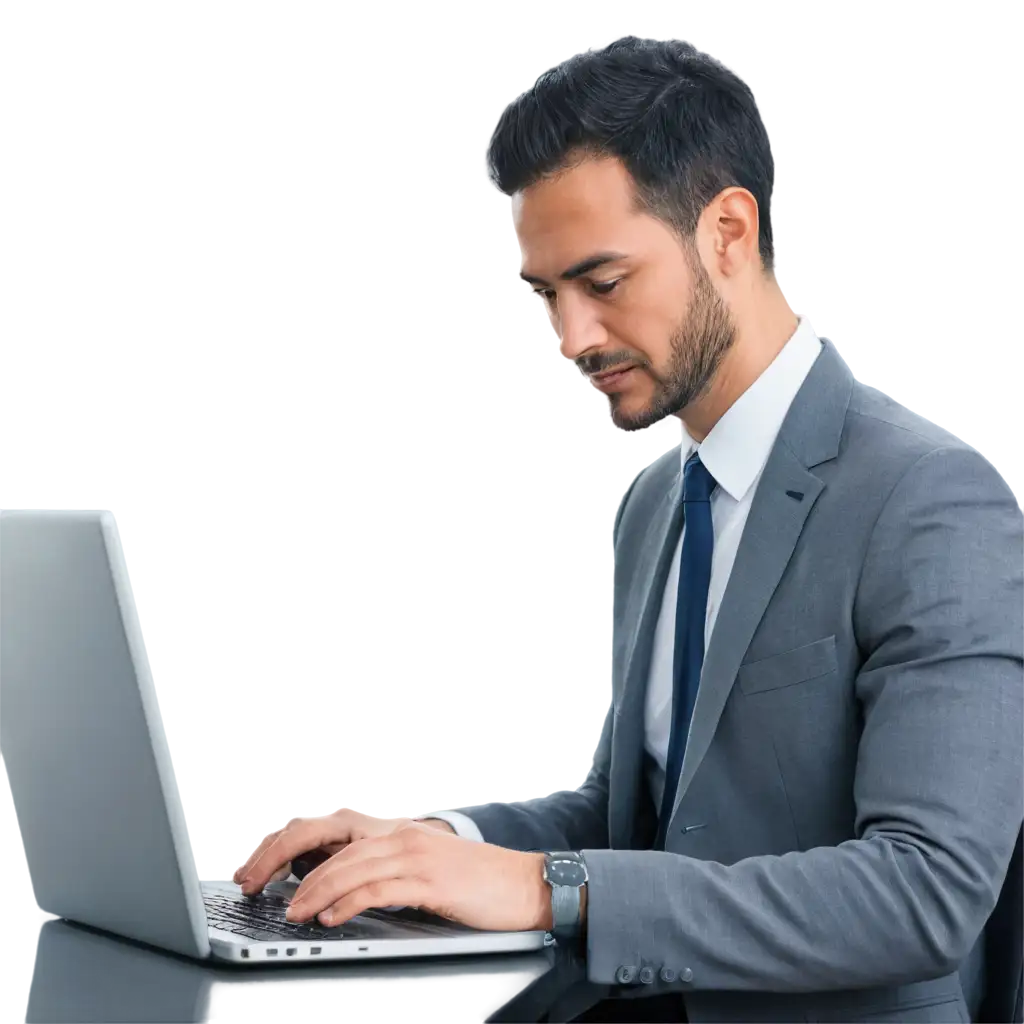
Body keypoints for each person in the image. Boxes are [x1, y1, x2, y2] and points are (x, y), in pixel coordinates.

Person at [232, 35, 1024, 1023]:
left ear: (727, 233)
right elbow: (639, 812)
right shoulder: (657, 504)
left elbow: (926, 893)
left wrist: (547, 888)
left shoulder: (928, 500)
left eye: (601, 283)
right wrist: (435, 840)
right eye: (543, 296)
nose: (571, 339)